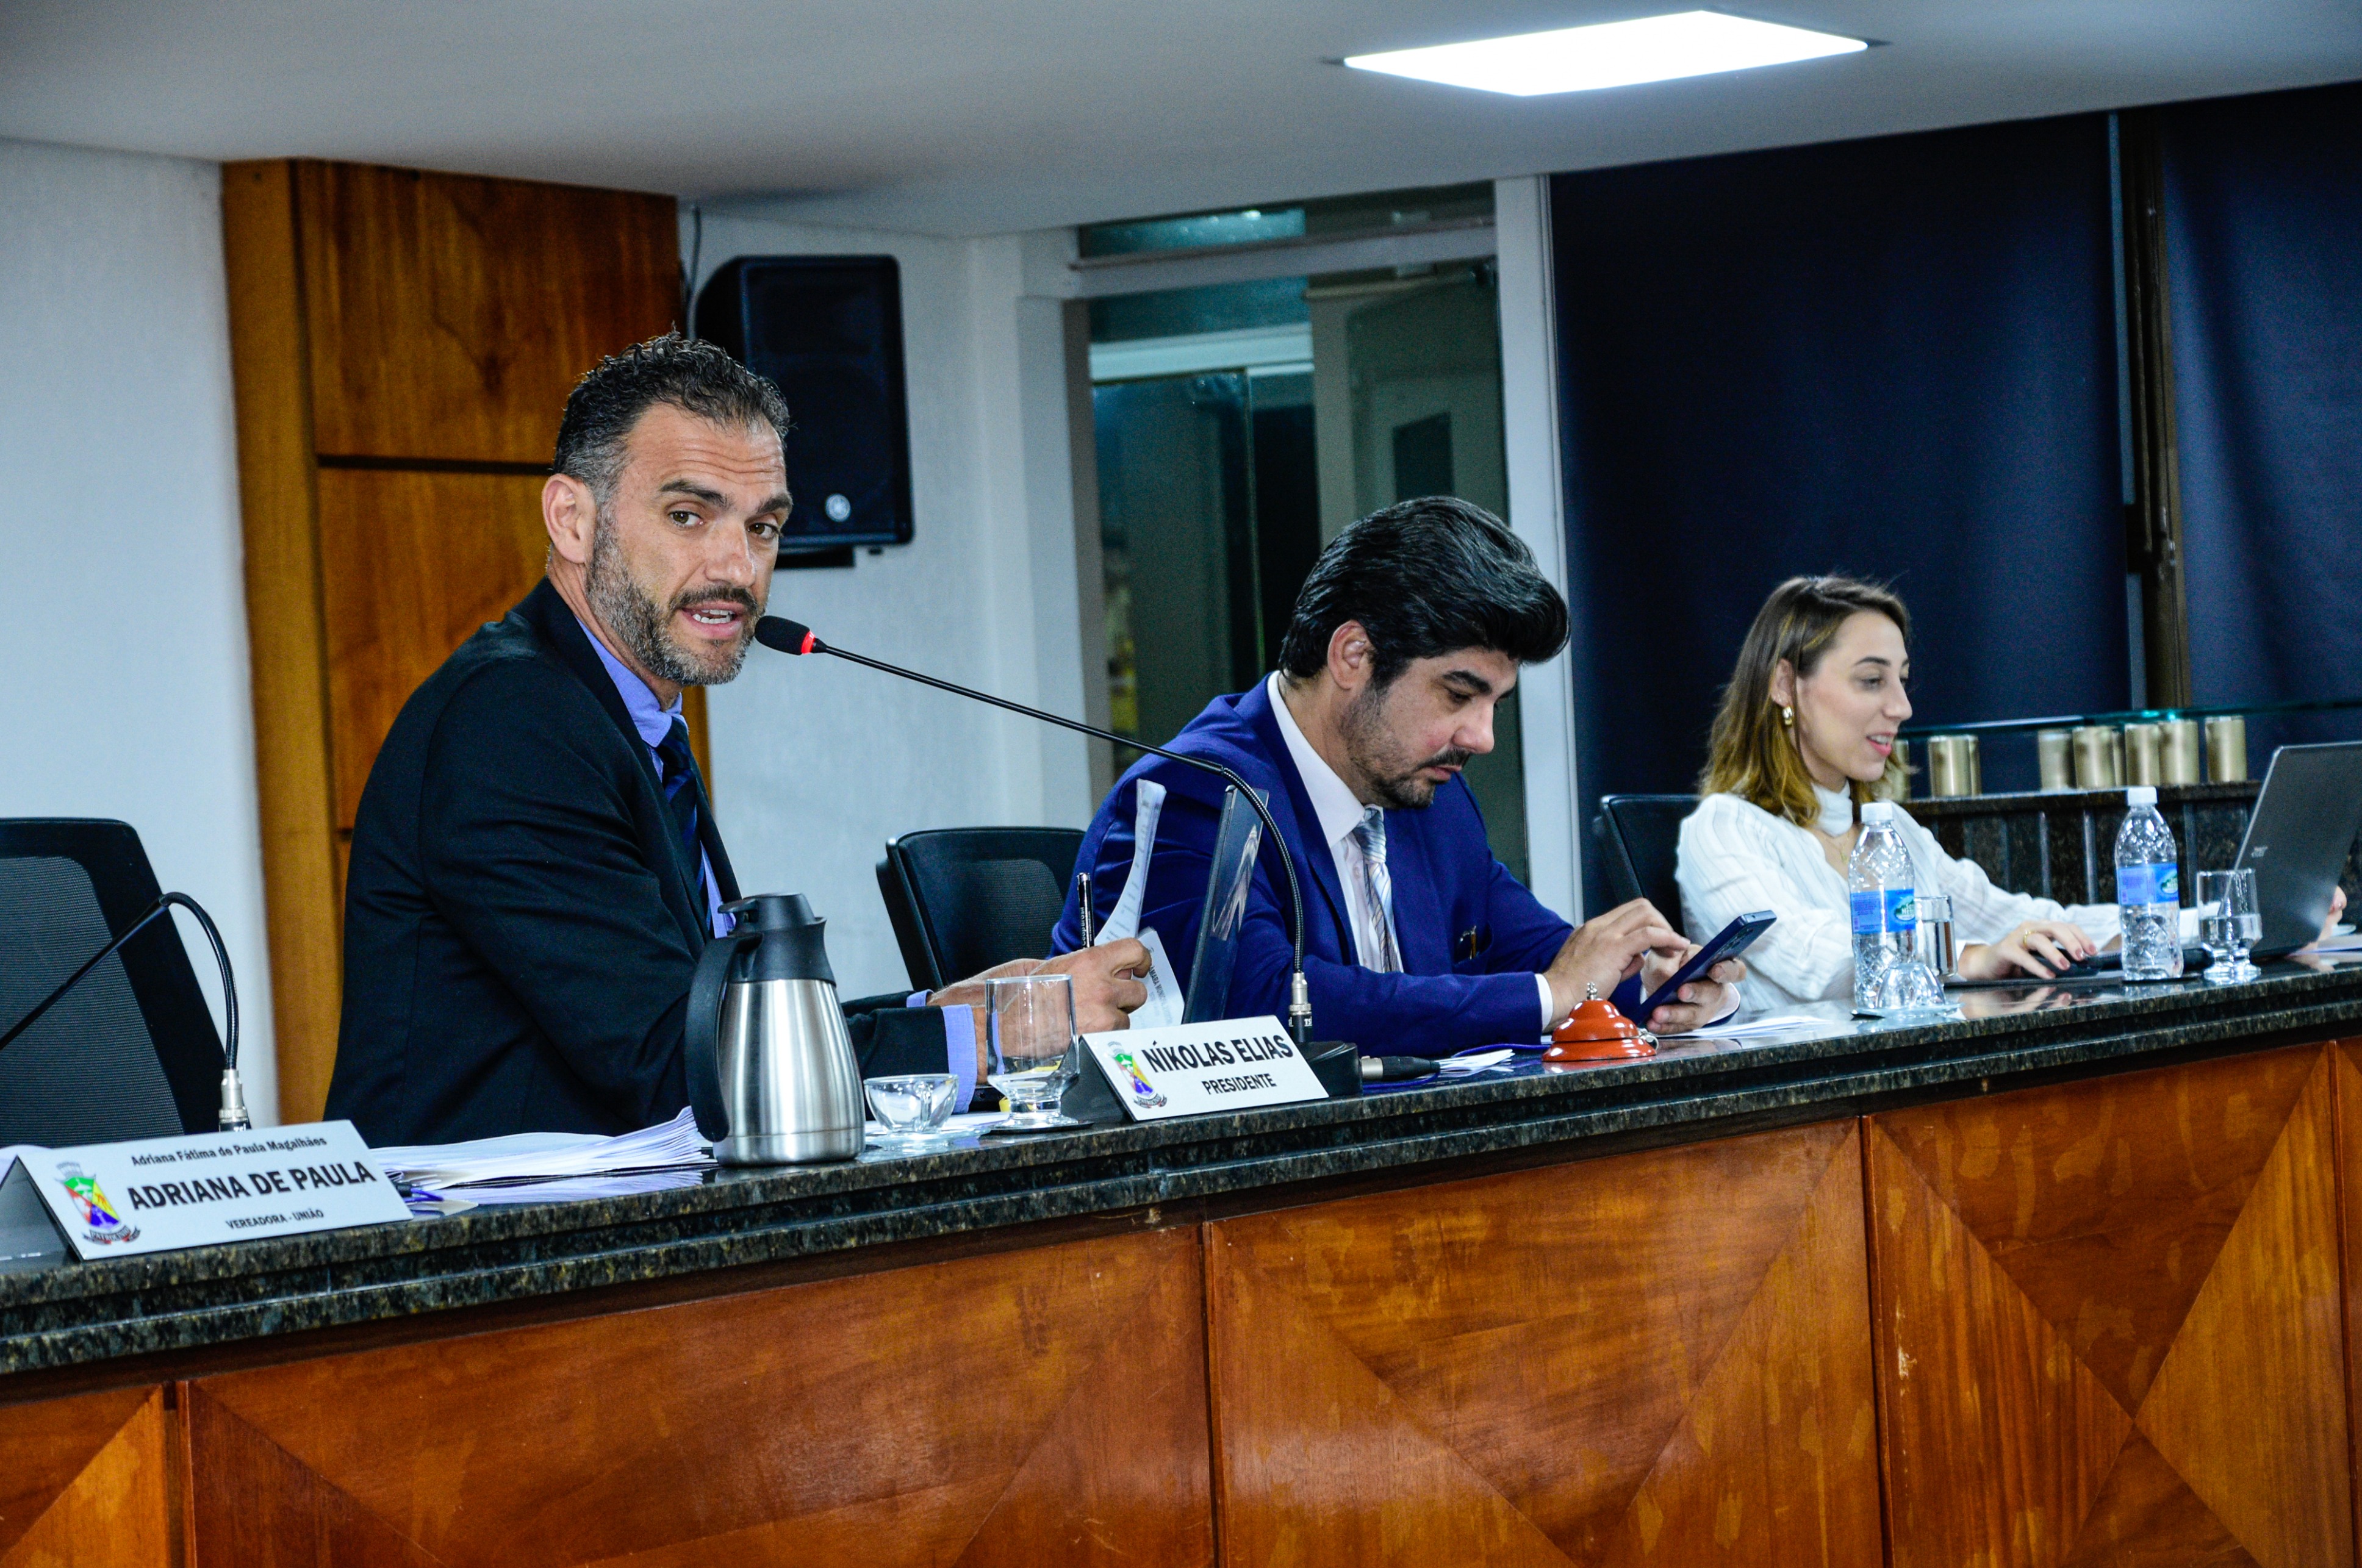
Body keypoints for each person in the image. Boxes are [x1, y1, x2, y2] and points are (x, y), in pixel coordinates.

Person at [328, 334, 1146, 1144]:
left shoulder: (622, 719)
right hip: (479, 1226)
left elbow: (717, 1024)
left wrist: (957, 1011)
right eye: (688, 516)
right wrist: (997, 1035)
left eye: (763, 527)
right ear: (572, 521)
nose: (738, 569)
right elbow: (674, 1064)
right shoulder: (512, 724)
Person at [1052, 497, 1741, 1058]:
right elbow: (1256, 1010)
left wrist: (1652, 983)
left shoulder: (1431, 795)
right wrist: (1553, 994)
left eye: (1494, 704)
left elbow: (1538, 954)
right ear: (1353, 655)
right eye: (1457, 694)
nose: (1481, 738)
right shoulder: (1198, 794)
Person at [1675, 575, 2341, 1011]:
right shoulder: (1722, 827)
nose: (1902, 706)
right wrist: (1972, 956)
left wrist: (2234, 921)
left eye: (1902, 679)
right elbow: (1811, 954)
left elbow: (2019, 918)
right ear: (1784, 685)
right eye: (1872, 680)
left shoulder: (1890, 829)